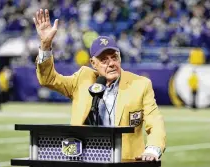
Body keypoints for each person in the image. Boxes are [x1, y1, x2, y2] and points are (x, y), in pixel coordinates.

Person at [33, 9, 166, 161]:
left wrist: (152, 150)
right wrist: (45, 45)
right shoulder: (82, 79)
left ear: (120, 58)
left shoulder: (140, 84)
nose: (111, 63)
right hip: (86, 160)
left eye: (114, 57)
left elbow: (155, 121)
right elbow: (47, 79)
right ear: (93, 63)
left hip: (125, 162)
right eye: (104, 60)